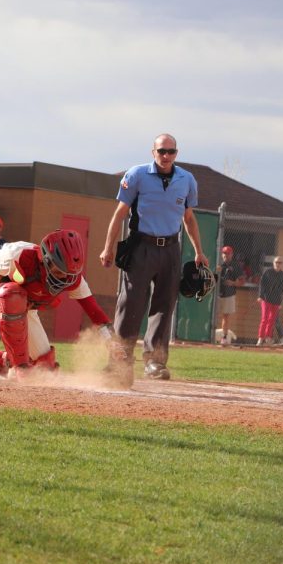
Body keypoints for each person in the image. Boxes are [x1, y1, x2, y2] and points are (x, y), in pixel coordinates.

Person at [99, 133, 208, 381]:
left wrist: (199, 252)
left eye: (171, 151)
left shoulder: (186, 180)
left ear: (176, 154)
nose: (166, 156)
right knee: (130, 305)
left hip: (171, 248)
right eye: (161, 151)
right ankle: (120, 360)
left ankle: (154, 362)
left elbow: (189, 219)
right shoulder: (137, 175)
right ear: (153, 153)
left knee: (164, 306)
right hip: (141, 246)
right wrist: (108, 248)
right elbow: (119, 214)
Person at [0, 229, 119, 382]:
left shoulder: (73, 279)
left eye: (70, 274)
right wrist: (6, 281)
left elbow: (94, 312)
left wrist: (111, 340)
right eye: (60, 271)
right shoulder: (18, 256)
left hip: (24, 308)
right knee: (14, 294)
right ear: (46, 259)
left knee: (44, 370)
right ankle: (20, 368)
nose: (65, 279)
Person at [256, 256, 283, 346]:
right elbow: (262, 284)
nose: (278, 264)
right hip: (266, 299)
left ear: (282, 264)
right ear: (273, 263)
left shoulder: (282, 275)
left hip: (276, 300)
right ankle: (260, 338)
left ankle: (268, 338)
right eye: (276, 262)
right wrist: (260, 296)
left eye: (280, 263)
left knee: (271, 320)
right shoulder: (267, 272)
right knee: (264, 319)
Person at [216, 245, 244, 346]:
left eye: (228, 253)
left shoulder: (235, 266)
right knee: (213, 315)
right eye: (224, 253)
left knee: (226, 316)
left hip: (229, 294)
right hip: (216, 294)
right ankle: (210, 336)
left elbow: (242, 281)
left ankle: (224, 337)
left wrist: (232, 283)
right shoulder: (218, 264)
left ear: (231, 254)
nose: (225, 255)